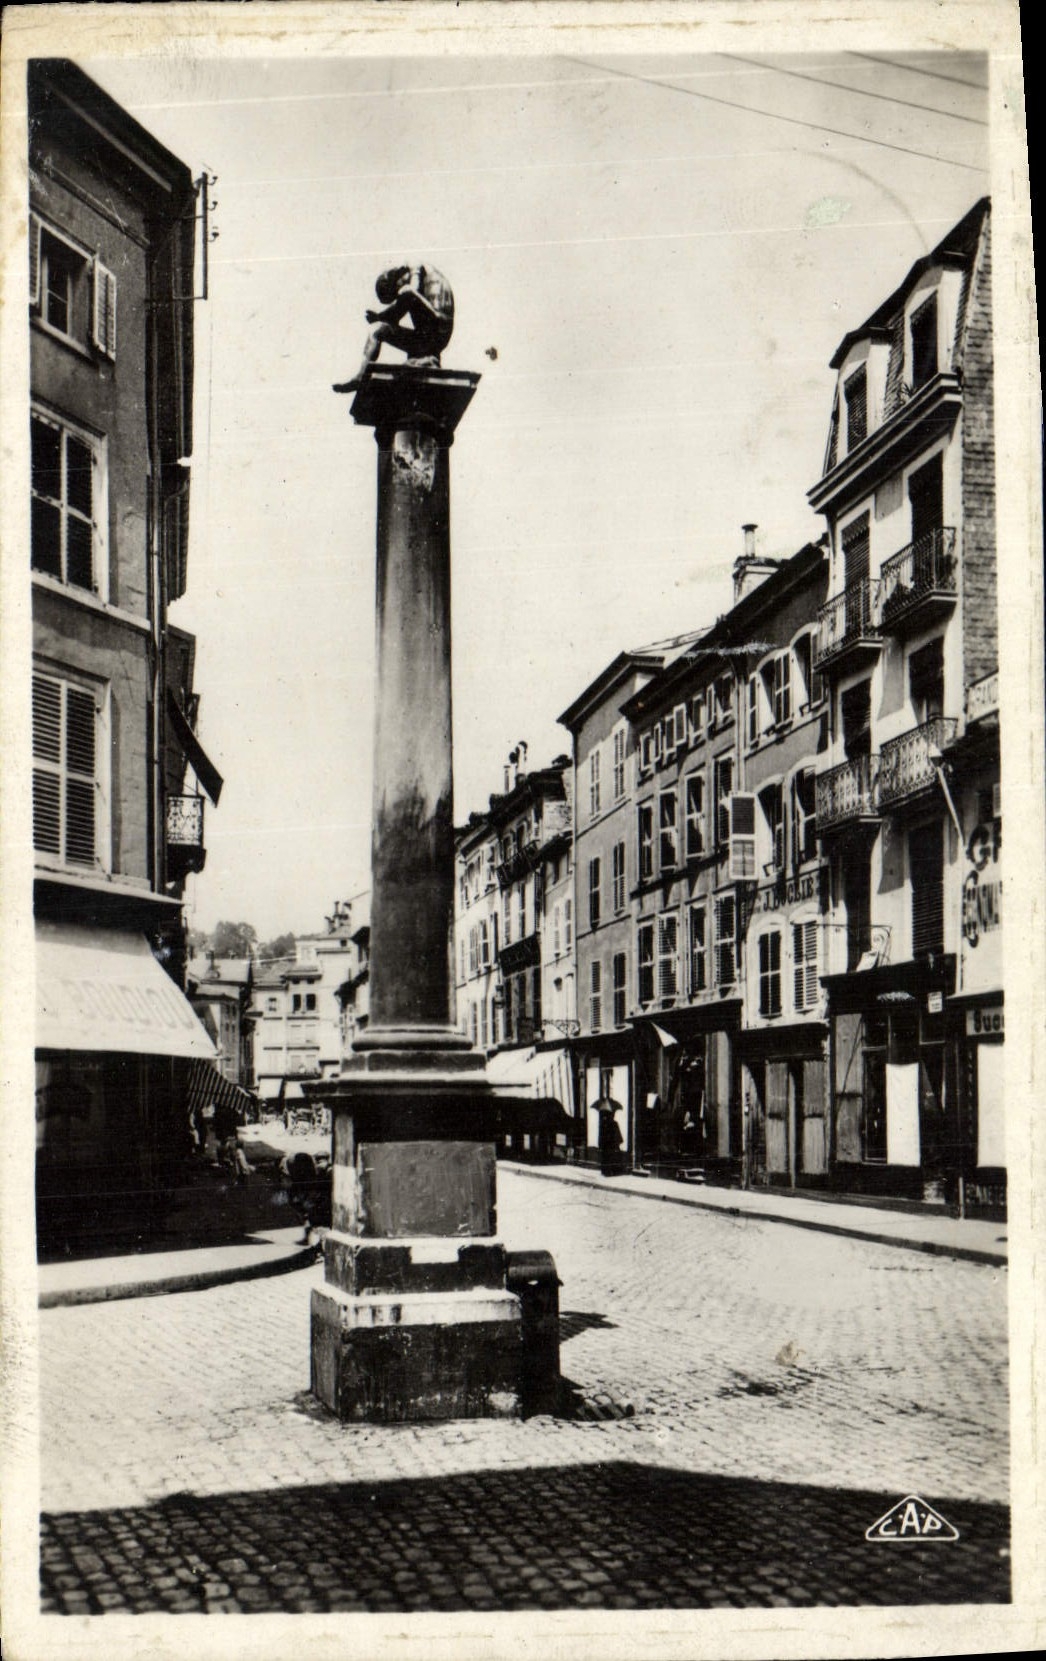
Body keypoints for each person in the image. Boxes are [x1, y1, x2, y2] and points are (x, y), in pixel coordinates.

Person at [333, 264, 454, 392]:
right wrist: (381, 318)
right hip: (423, 339)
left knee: (407, 293)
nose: (398, 294)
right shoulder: (412, 283)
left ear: (397, 278)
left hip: (439, 328)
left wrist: (383, 315)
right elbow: (404, 301)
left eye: (396, 291)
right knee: (378, 329)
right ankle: (361, 376)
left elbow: (410, 291)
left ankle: (427, 357)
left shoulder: (416, 267)